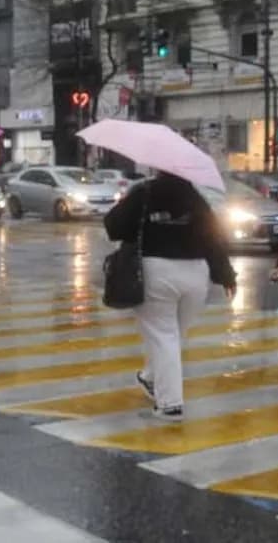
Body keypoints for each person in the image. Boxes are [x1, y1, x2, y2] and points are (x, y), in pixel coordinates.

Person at [105, 172, 237, 421]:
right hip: (197, 274)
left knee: (164, 336)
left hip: (156, 271)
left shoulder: (144, 193)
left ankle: (170, 405)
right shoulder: (195, 197)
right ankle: (149, 379)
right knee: (173, 336)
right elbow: (215, 239)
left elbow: (113, 226)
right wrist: (227, 275)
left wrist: (135, 215)